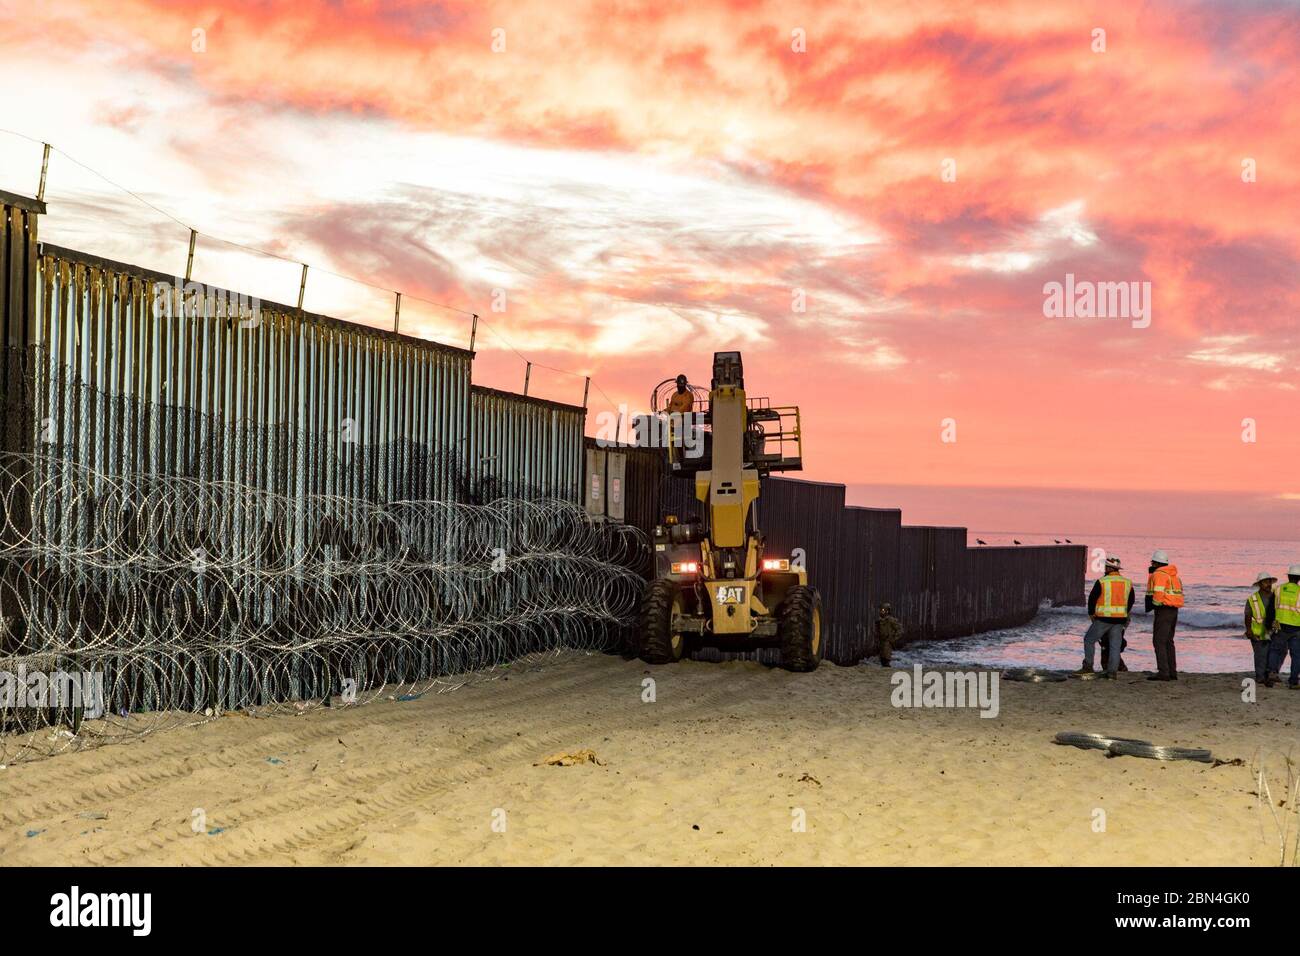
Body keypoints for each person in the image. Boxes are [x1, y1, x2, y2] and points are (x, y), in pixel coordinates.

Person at [1079, 556, 1133, 679]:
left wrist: (1092, 615)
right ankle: (1112, 672)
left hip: (1104, 619)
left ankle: (1088, 666)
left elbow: (1092, 600)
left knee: (1089, 640)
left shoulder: (1102, 582)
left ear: (1109, 568)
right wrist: (1125, 615)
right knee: (1115, 646)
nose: (1104, 568)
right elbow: (1130, 601)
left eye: (1105, 566)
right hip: (1120, 620)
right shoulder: (1127, 583)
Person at [1145, 549, 1184, 681]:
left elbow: (1158, 595)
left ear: (1156, 563)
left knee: (1159, 641)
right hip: (1174, 610)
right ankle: (1172, 672)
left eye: (1152, 562)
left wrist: (1154, 605)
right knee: (1168, 641)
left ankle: (1163, 672)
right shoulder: (1174, 576)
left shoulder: (1159, 575)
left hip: (1163, 610)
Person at [1245, 571, 1278, 686]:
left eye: (1269, 582)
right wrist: (1249, 630)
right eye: (1265, 582)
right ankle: (1260, 677)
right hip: (1258, 632)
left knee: (1272, 654)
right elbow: (1248, 615)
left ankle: (1269, 675)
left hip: (1273, 631)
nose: (1268, 584)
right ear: (1259, 584)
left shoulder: (1276, 597)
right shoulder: (1252, 599)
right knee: (1260, 655)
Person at [1271, 565, 1300, 689]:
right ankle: (1293, 681)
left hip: (1280, 625)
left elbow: (1272, 607)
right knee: (1297, 655)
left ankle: (1272, 673)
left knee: (1275, 650)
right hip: (1296, 628)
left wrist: (1271, 622)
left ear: (1288, 576)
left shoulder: (1278, 589)